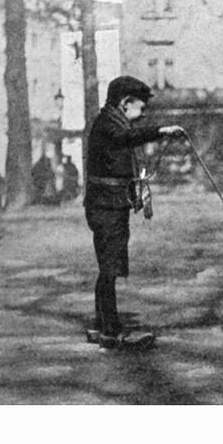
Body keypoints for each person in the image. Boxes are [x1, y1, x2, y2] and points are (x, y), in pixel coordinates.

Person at [84, 75, 184, 350]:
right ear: (125, 103)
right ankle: (111, 331)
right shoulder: (108, 125)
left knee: (109, 267)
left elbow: (127, 138)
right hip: (106, 205)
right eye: (140, 108)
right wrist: (161, 131)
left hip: (110, 203)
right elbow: (125, 138)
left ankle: (101, 324)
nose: (141, 115)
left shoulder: (112, 121)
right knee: (109, 268)